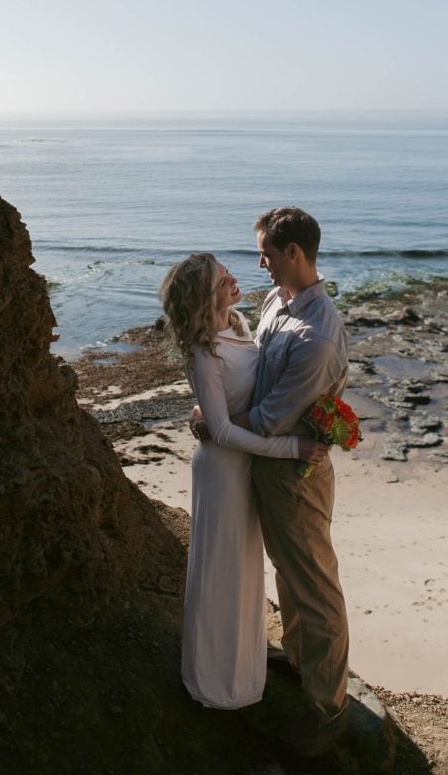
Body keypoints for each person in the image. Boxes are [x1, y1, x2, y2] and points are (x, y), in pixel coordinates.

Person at [193, 208, 350, 757]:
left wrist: (214, 426)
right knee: (289, 571)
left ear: (294, 253)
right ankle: (301, 658)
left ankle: (328, 709)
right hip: (263, 464)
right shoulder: (275, 300)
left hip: (294, 474)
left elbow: (269, 418)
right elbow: (256, 373)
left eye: (266, 252)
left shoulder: (318, 337)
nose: (258, 262)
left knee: (314, 585)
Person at [158, 252, 328, 711]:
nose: (234, 278)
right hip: (222, 470)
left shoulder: (237, 325)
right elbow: (224, 431)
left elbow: (245, 401)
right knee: (221, 571)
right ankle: (215, 682)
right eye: (221, 280)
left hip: (247, 465)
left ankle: (245, 668)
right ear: (202, 297)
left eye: (229, 272)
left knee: (248, 568)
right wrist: (292, 448)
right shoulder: (201, 351)